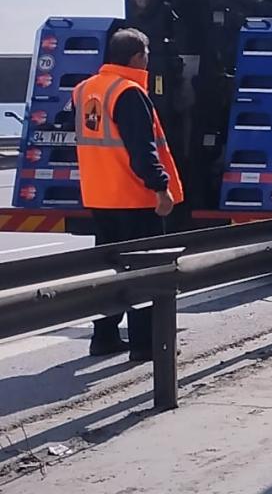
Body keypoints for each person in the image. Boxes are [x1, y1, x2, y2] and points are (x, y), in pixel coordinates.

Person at [74, 28, 184, 361]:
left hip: (100, 197)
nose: (148, 60)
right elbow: (142, 150)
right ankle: (145, 344)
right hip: (134, 198)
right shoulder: (129, 92)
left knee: (111, 271)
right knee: (145, 271)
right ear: (137, 57)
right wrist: (160, 188)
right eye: (147, 55)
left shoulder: (84, 91)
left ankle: (104, 337)